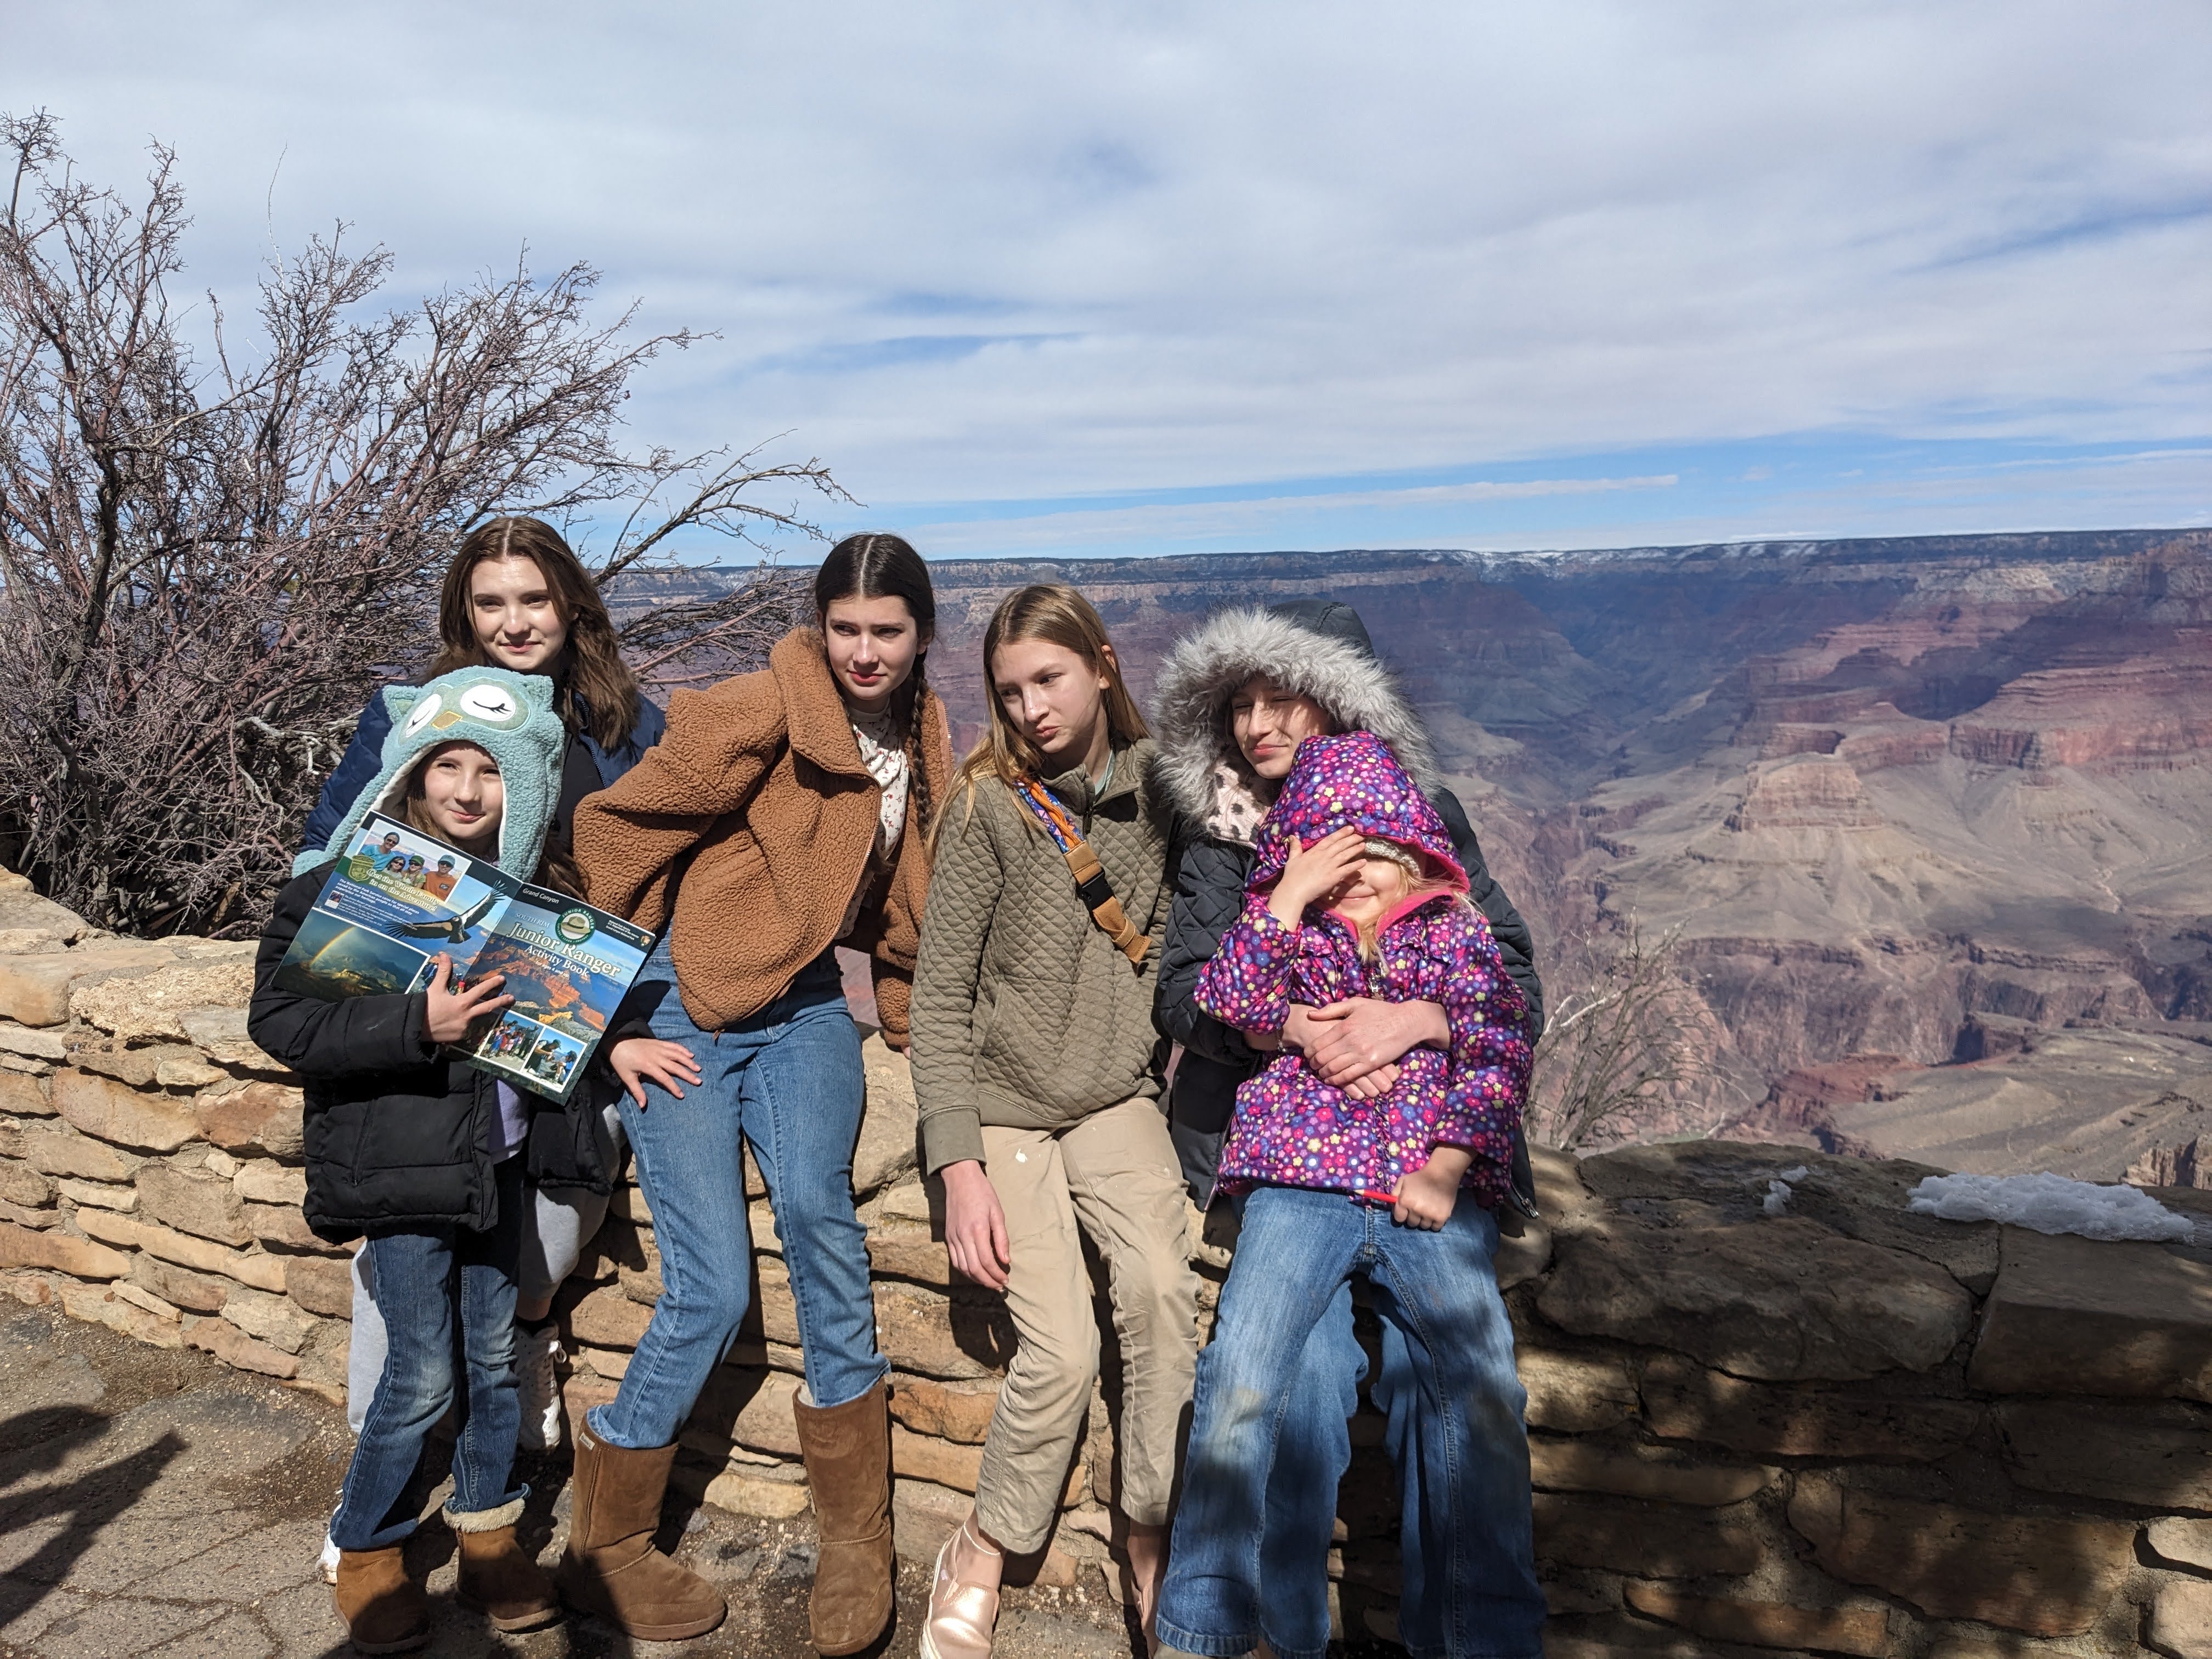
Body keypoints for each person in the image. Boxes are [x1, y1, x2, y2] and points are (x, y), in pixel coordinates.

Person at [251, 667, 691, 1654]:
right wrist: (422, 1022)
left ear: (522, 789)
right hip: (405, 1171)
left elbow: (555, 1012)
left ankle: (489, 1543)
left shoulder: (534, 899)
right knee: (419, 1375)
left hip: (495, 1163)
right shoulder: (345, 883)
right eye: (446, 765)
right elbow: (279, 1019)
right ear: (411, 771)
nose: (464, 789)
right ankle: (367, 1550)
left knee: (495, 1362)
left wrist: (606, 1036)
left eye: (488, 773)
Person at [566, 533, 951, 1650]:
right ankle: (610, 1542)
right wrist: (606, 1011)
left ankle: (855, 1537)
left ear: (923, 635)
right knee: (711, 1287)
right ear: (819, 626)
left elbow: (904, 897)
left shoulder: (923, 731)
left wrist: (915, 1031)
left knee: (824, 1222)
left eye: (887, 632)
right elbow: (618, 827)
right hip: (684, 1007)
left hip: (806, 1014)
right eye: (846, 629)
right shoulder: (761, 706)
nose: (865, 652)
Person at [1149, 599, 1544, 1658]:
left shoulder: (1423, 820)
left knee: (1463, 1388)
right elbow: (1189, 996)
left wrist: (1415, 1018)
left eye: (1282, 697)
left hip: (1418, 1163)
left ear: (1339, 702)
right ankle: (1271, 1632)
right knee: (1298, 1390)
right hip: (1290, 1154)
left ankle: (1470, 1639)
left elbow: (1507, 989)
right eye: (1239, 705)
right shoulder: (1230, 845)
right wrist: (1299, 1028)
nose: (1257, 725)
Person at [298, 518, 668, 1551]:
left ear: (572, 605)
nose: (514, 623)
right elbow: (330, 851)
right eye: (490, 603)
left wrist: (621, 1023)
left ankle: (493, 1448)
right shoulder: (412, 717)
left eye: (535, 600)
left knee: (536, 1251)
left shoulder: (628, 730)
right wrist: (380, 976)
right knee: (401, 1297)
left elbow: (663, 879)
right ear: (463, 612)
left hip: (551, 1038)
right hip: (419, 1051)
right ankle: (374, 1497)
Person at [909, 584, 1190, 1659]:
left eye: (1050, 679)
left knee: (1165, 1296)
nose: (1030, 708)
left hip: (1116, 1098)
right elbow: (939, 999)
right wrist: (958, 1169)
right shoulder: (986, 809)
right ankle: (984, 1544)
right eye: (1010, 689)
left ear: (1105, 667)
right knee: (1063, 1352)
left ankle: (1150, 1536)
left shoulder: (1165, 796)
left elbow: (1182, 953)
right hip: (1010, 1110)